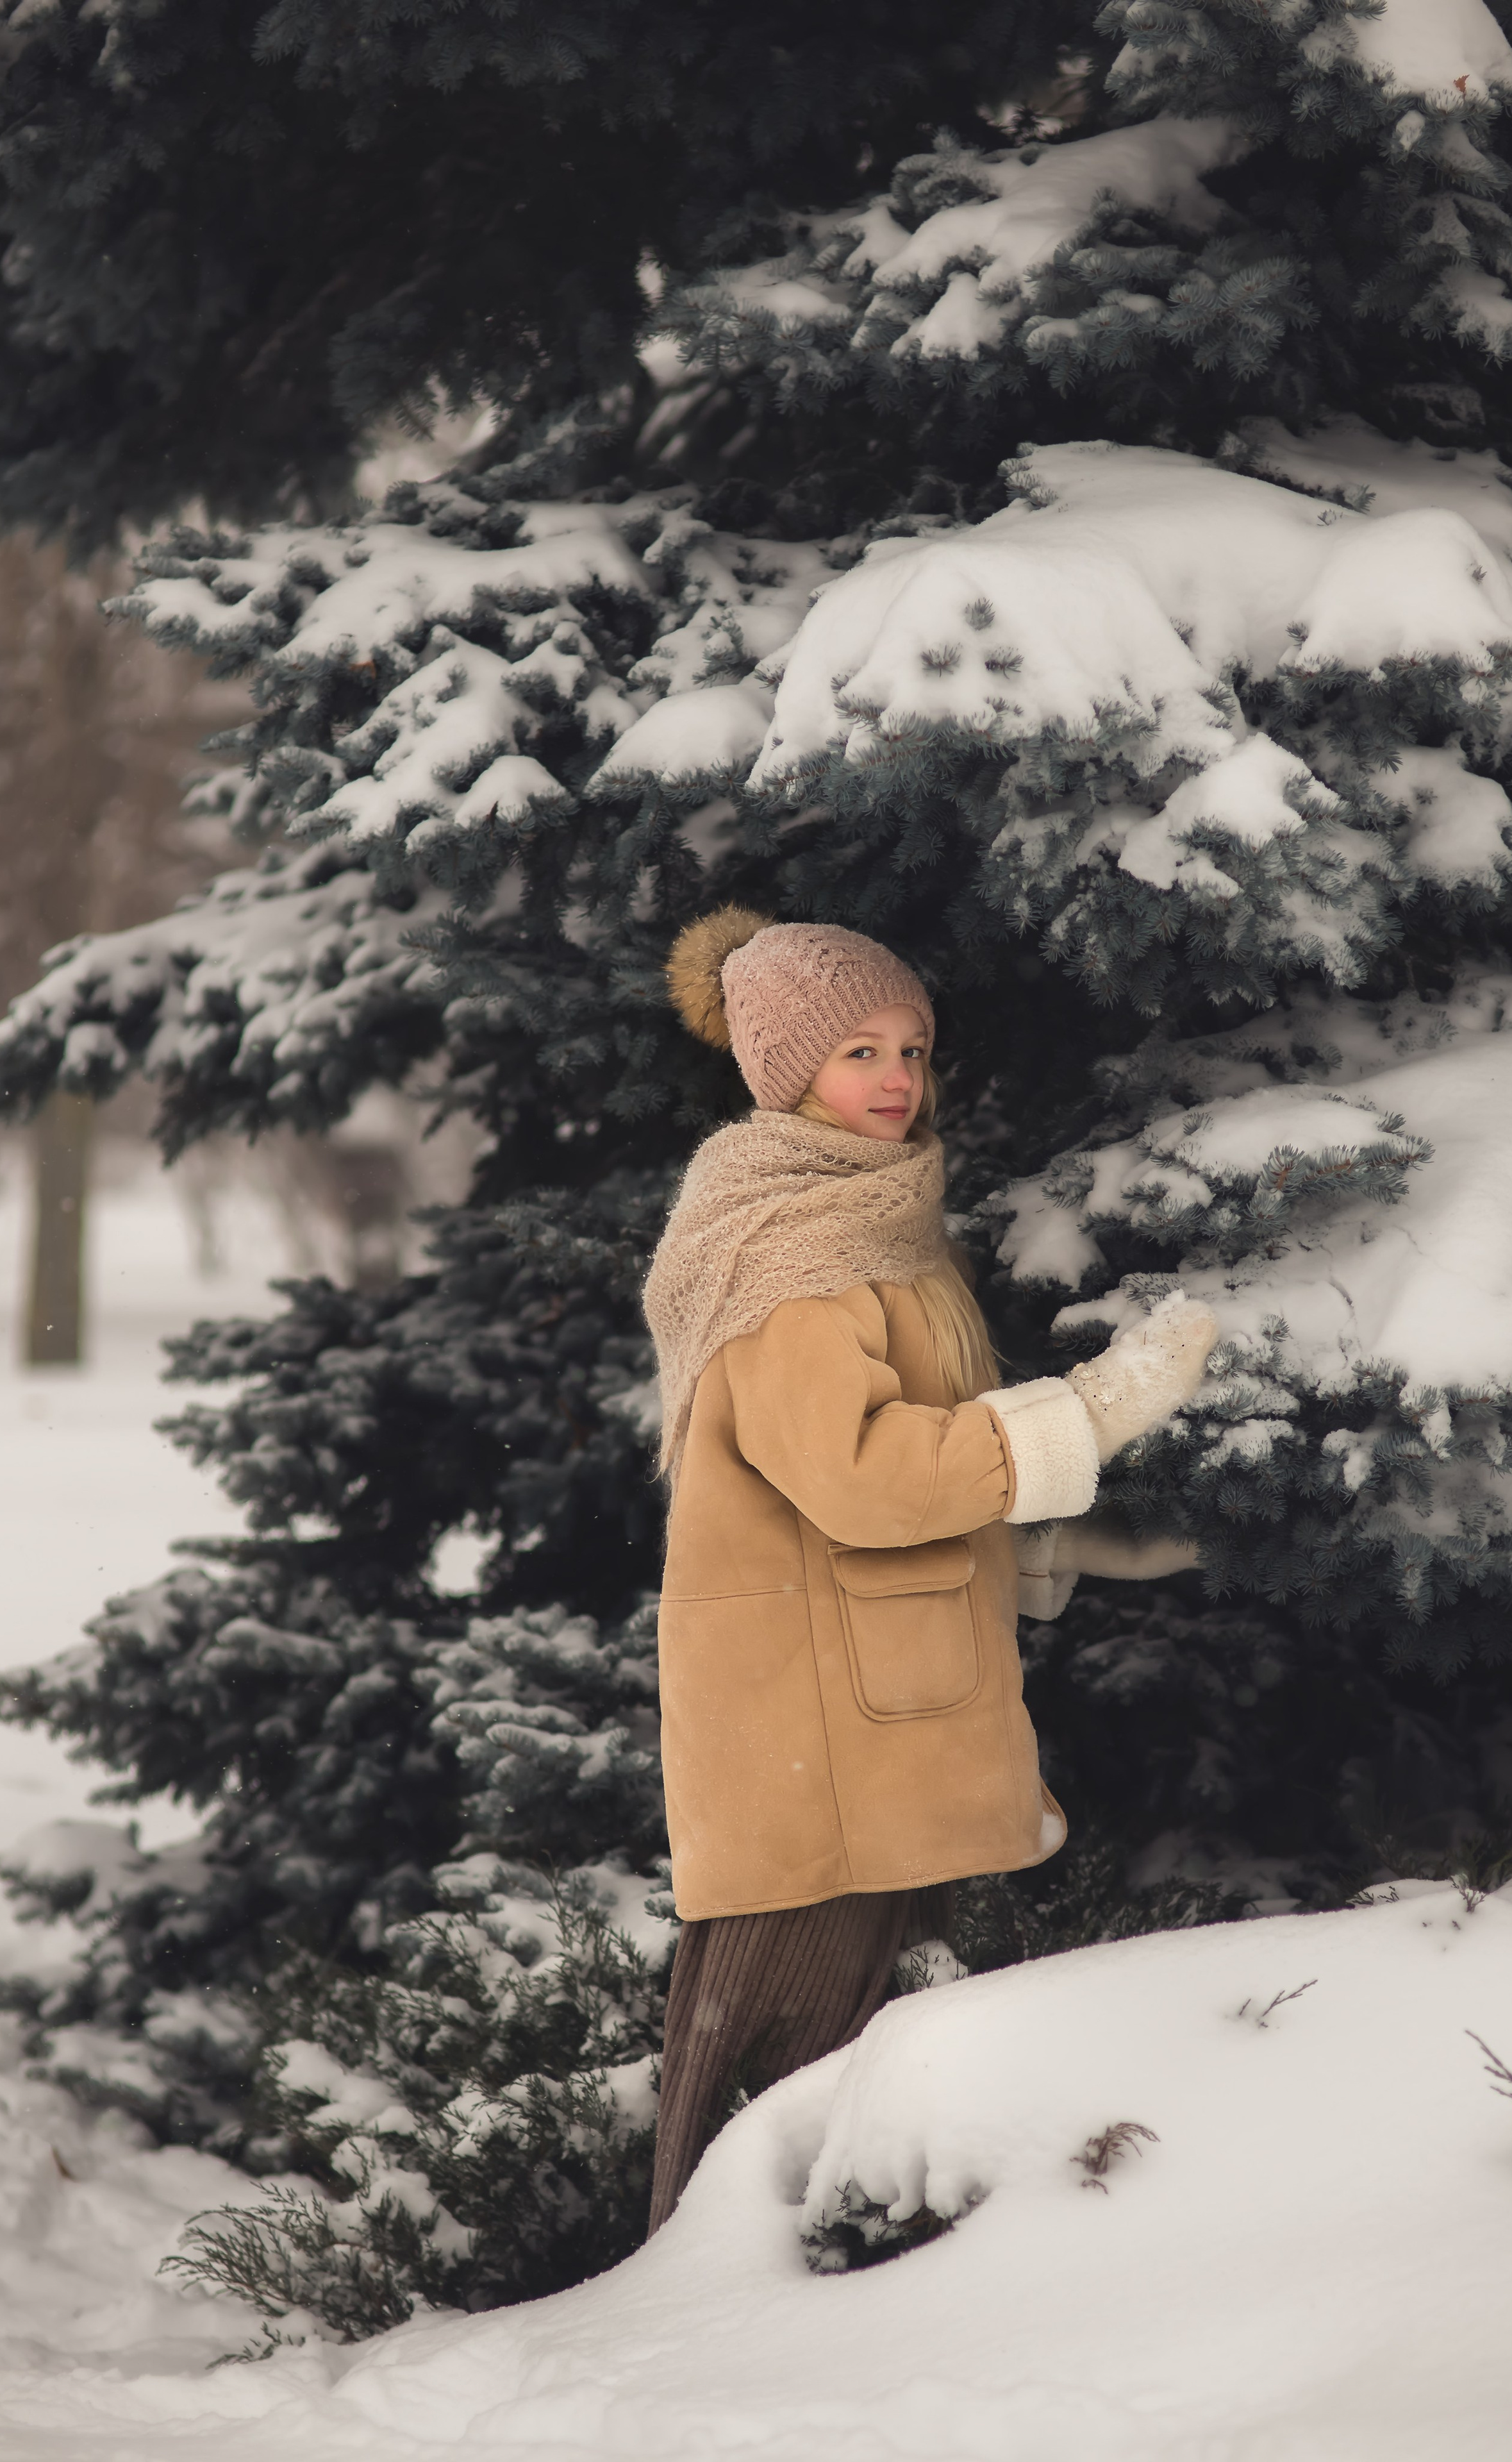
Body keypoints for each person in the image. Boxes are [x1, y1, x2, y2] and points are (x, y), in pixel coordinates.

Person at [641, 907, 1216, 2230]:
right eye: (855, 1051)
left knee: (867, 2085)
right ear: (787, 1075)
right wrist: (1098, 1409)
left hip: (865, 1721)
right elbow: (857, 1478)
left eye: (909, 1045)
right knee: (795, 2102)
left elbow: (889, 1481)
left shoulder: (871, 1226)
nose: (895, 1076)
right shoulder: (791, 1261)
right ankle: (721, 2358)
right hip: (820, 1746)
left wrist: (1067, 1531)